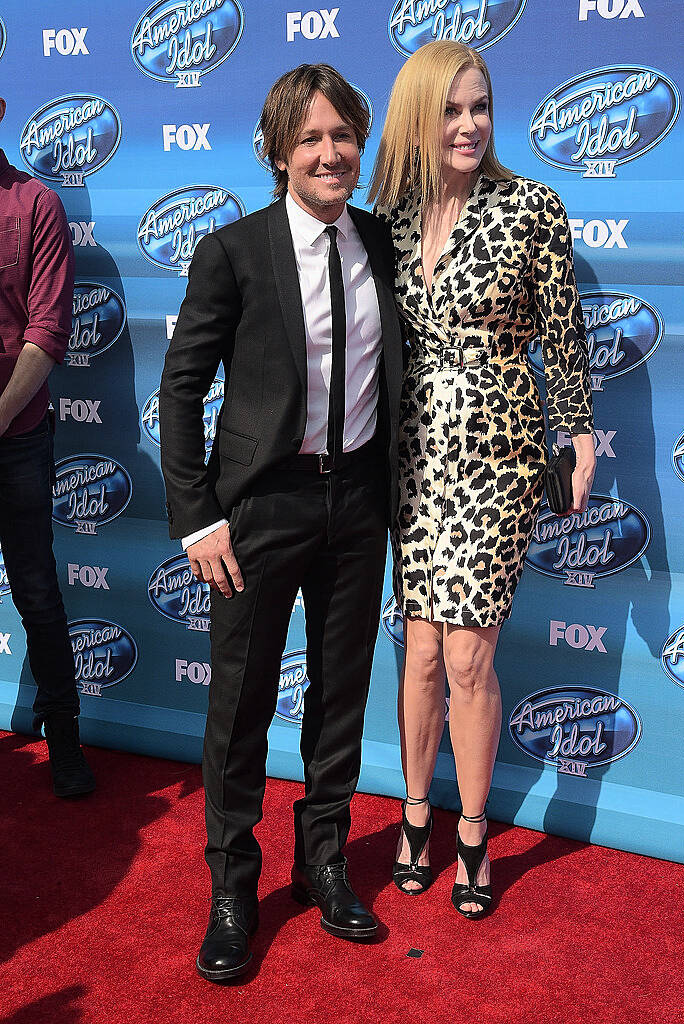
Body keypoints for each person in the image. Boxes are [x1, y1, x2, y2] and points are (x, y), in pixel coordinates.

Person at [159, 64, 403, 982]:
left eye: (343, 135)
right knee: (241, 707)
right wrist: (197, 520)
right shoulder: (232, 251)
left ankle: (325, 865)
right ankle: (232, 889)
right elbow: (181, 391)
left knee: (339, 698)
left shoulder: (379, 243)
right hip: (258, 510)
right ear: (277, 151)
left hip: (357, 505)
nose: (331, 153)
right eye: (311, 139)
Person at [369, 41, 595, 919]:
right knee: (421, 650)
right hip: (414, 458)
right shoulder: (387, 219)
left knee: (468, 654)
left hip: (498, 455)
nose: (469, 125)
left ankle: (471, 832)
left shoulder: (532, 206)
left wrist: (577, 436)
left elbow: (564, 335)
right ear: (421, 117)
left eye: (482, 108)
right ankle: (413, 814)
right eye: (452, 110)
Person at [0, 97, 94, 798]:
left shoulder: (36, 204)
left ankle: (62, 733)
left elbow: (47, 330)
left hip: (19, 435)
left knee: (35, 585)